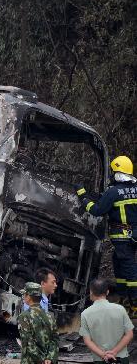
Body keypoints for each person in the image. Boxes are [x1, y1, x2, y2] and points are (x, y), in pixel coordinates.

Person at [79, 155, 137, 313]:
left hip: (122, 238)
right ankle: (124, 299)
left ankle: (134, 305)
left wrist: (83, 197)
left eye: (113, 172)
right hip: (133, 236)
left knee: (130, 270)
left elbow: (97, 210)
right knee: (119, 265)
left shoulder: (114, 192)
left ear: (118, 173)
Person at [80, 278, 134, 363]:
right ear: (107, 292)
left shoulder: (85, 314)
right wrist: (114, 352)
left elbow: (87, 341)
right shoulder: (120, 309)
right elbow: (129, 334)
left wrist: (103, 355)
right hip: (121, 358)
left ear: (91, 292)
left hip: (100, 359)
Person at [18, 282, 59, 364]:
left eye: (24, 294)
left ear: (28, 297)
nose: (23, 297)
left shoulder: (24, 316)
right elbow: (55, 340)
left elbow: (28, 342)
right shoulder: (50, 316)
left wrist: (41, 360)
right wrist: (49, 358)